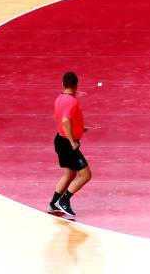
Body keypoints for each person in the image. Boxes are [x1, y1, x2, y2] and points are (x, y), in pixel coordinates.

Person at [49, 72, 92, 217]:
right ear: (76, 85)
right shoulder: (72, 102)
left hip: (59, 140)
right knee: (85, 175)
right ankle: (64, 201)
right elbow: (65, 120)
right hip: (68, 143)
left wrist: (79, 129)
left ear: (63, 84)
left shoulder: (59, 99)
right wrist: (72, 140)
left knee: (69, 174)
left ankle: (54, 203)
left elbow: (57, 118)